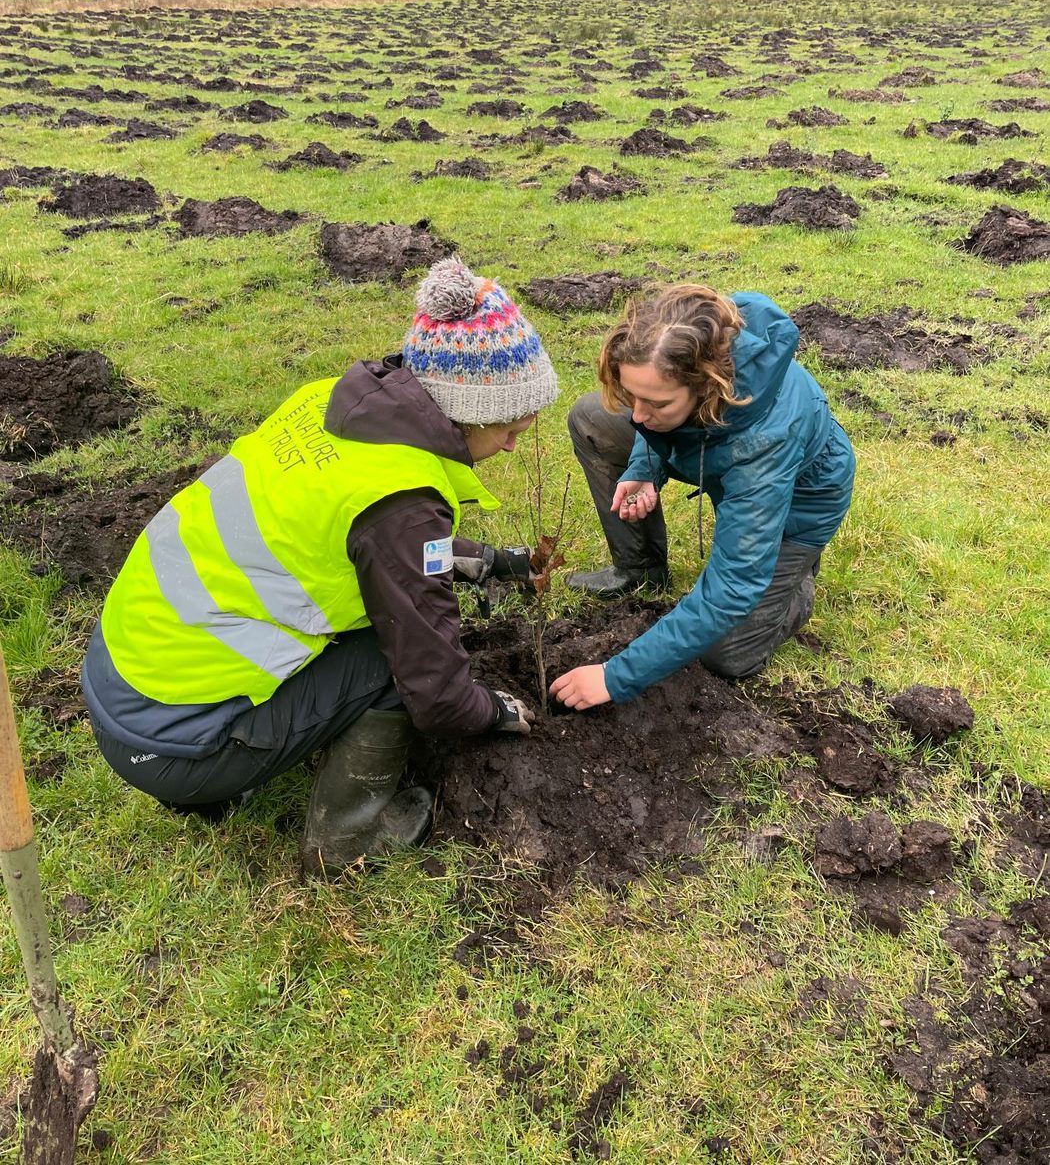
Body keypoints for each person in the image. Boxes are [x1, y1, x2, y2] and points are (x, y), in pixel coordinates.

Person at [81, 259, 559, 874]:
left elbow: (364, 550)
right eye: (511, 426)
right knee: (394, 659)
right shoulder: (400, 503)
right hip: (172, 746)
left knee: (379, 625)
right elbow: (437, 694)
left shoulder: (328, 406)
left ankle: (230, 768)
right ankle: (349, 843)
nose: (517, 442)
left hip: (125, 679)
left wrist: (493, 562)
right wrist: (493, 709)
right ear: (466, 406)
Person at [550, 286, 855, 712]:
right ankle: (639, 568)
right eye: (632, 395)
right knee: (594, 420)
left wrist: (614, 676)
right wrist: (645, 467)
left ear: (704, 386)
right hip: (715, 442)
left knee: (727, 653)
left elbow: (732, 587)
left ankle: (793, 586)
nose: (637, 415)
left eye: (655, 402)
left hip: (801, 500)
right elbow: (650, 419)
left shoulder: (763, 445)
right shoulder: (688, 336)